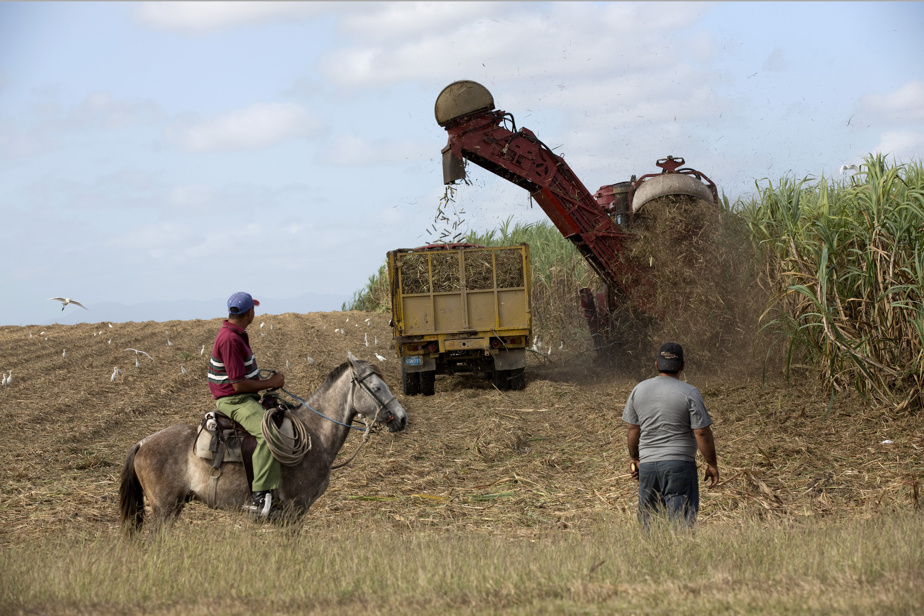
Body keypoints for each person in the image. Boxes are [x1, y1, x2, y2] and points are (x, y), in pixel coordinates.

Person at [622, 342, 719, 528]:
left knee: (650, 524)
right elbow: (701, 432)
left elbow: (633, 429)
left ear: (656, 365)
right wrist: (712, 464)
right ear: (682, 365)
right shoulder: (689, 393)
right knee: (681, 525)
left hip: (648, 467)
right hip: (679, 466)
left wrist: (634, 458)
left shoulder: (639, 390)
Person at [208, 291, 286, 519]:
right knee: (268, 432)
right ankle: (260, 498)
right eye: (254, 309)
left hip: (242, 396)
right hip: (234, 399)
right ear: (250, 312)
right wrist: (271, 383)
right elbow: (238, 385)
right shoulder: (230, 339)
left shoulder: (235, 333)